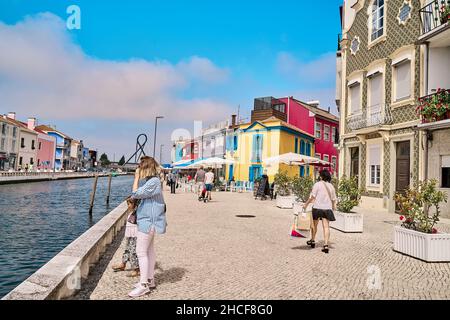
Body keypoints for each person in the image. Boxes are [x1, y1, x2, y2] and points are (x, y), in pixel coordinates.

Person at [128, 156, 167, 298]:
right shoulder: (152, 181)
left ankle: (143, 285)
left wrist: (136, 178)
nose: (138, 169)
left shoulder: (154, 182)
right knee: (149, 251)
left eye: (140, 167)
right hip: (149, 220)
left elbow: (135, 194)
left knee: (141, 252)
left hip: (148, 221)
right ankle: (150, 280)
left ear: (146, 168)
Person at [302, 169, 337, 254]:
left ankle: (313, 240)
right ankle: (325, 245)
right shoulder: (331, 186)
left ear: (321, 176)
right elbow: (333, 199)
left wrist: (306, 204)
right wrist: (333, 207)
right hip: (327, 209)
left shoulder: (317, 185)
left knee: (314, 225)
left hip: (317, 208)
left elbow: (312, 197)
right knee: (326, 227)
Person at [112, 197, 140, 277]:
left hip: (135, 235)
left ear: (135, 204)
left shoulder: (138, 212)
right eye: (127, 204)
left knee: (133, 251)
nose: (128, 206)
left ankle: (136, 269)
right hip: (129, 235)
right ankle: (123, 264)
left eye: (130, 204)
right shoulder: (131, 212)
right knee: (127, 249)